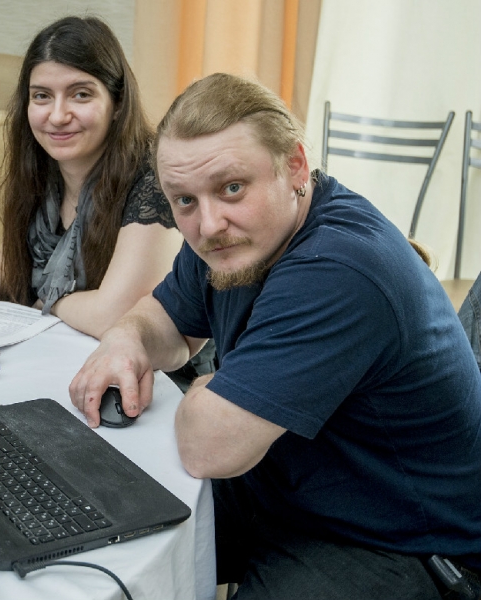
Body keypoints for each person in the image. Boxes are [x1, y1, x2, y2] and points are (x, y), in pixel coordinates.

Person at [69, 72, 481, 599]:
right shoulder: (231, 241)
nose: (208, 224)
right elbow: (165, 322)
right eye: (184, 200)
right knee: (96, 525)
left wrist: (210, 392)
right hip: (293, 482)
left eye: (232, 188)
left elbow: (209, 447)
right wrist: (125, 339)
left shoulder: (338, 269)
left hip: (403, 541)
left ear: (296, 167)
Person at [0, 16, 182, 340]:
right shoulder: (41, 168)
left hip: (150, 365)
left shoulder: (153, 184)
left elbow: (114, 316)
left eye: (80, 95)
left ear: (118, 103)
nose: (57, 116)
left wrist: (48, 302)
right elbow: (7, 269)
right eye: (42, 96)